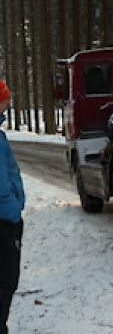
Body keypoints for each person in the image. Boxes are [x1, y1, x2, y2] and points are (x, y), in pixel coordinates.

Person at [0, 80, 24, 334]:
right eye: (6, 97)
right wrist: (13, 215)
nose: (9, 101)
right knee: (6, 281)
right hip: (3, 222)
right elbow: (0, 185)